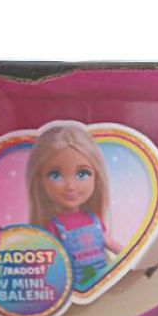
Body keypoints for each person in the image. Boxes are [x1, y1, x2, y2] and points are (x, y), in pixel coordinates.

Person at [26, 122, 123, 288]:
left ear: (96, 177)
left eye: (82, 173)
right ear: (40, 181)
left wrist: (130, 259)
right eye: (55, 175)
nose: (70, 186)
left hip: (102, 281)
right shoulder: (53, 226)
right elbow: (48, 262)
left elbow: (110, 243)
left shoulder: (94, 220)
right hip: (71, 287)